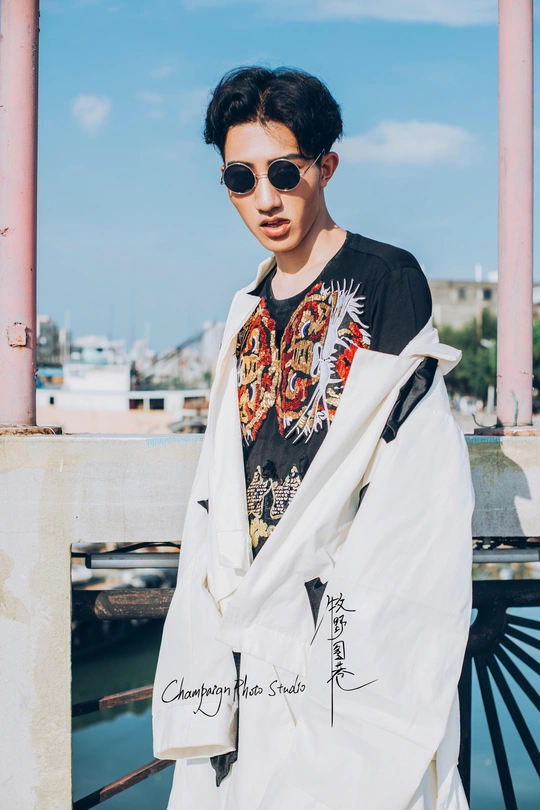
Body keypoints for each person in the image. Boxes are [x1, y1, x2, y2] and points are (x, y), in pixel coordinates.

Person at [152, 67, 474, 810]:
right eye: (240, 178)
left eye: (283, 172)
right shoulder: (246, 308)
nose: (265, 199)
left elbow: (414, 482)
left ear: (326, 165)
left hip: (340, 620)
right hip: (246, 636)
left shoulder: (387, 279)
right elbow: (222, 483)